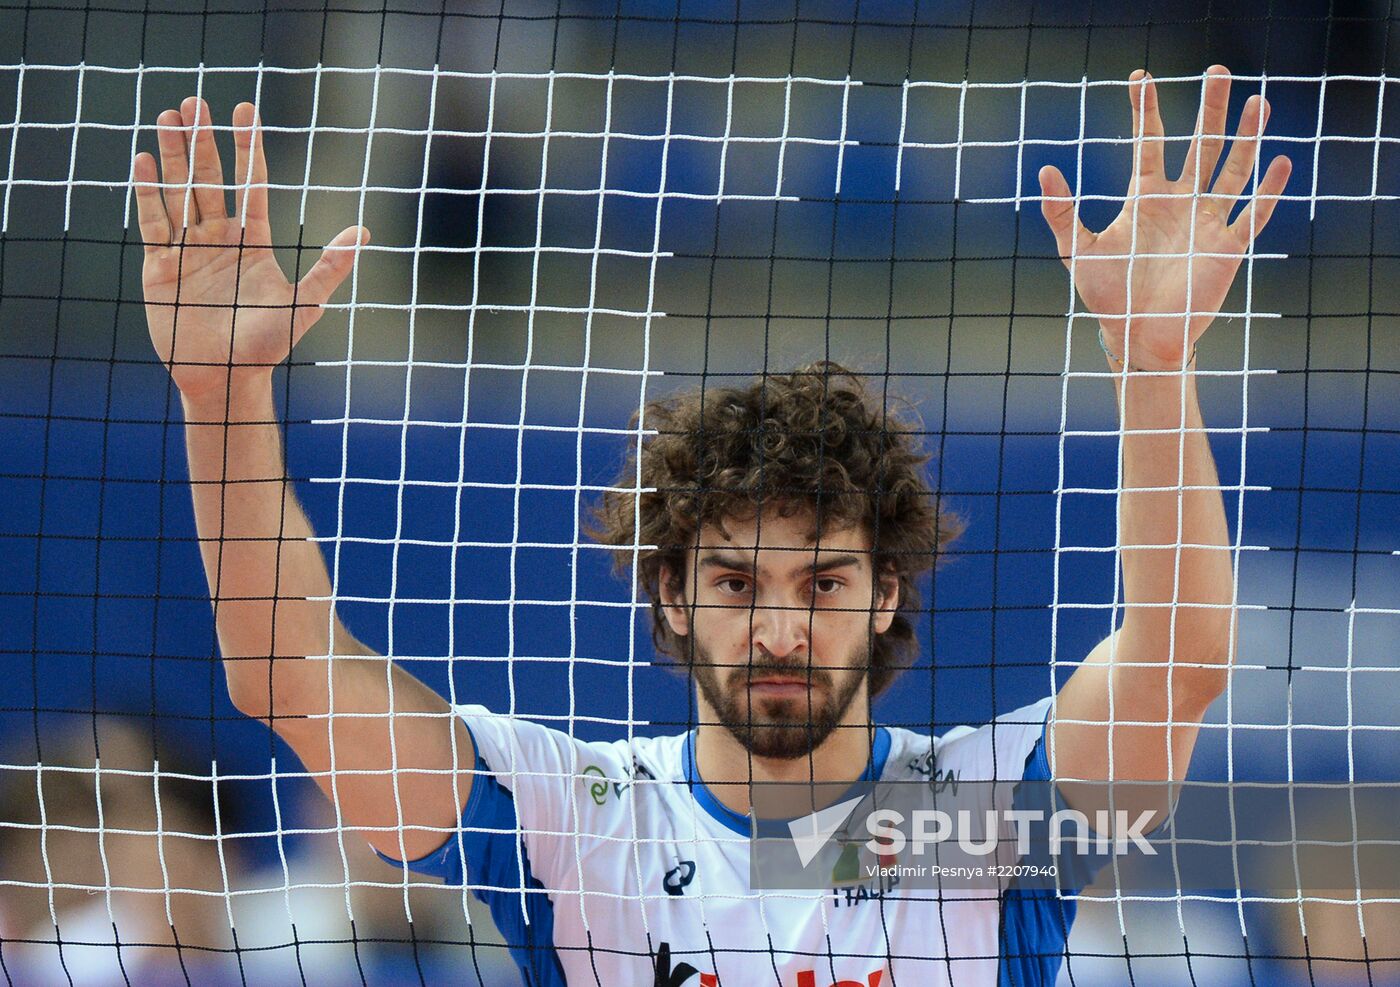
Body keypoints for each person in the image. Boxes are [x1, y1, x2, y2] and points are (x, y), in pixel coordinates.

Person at [131, 65, 1290, 985]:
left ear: (886, 593)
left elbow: (1178, 663)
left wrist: (1150, 364)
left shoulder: (968, 823)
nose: (780, 631)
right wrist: (220, 395)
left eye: (823, 584)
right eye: (736, 584)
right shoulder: (575, 820)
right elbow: (284, 675)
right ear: (672, 595)